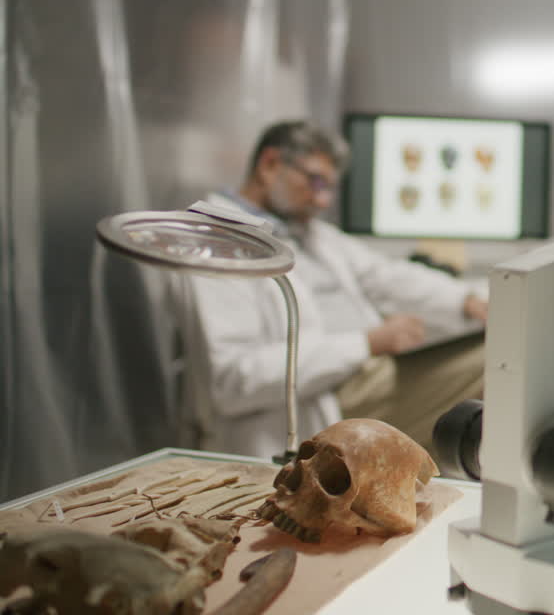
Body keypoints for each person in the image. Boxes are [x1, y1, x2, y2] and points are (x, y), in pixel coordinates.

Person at [170, 120, 487, 459]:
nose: (323, 200)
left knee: (492, 346)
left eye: (331, 187)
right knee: (492, 361)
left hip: (364, 373)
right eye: (316, 181)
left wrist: (465, 301)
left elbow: (384, 275)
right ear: (270, 164)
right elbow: (234, 379)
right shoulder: (216, 243)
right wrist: (366, 342)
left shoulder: (308, 232)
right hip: (323, 399)